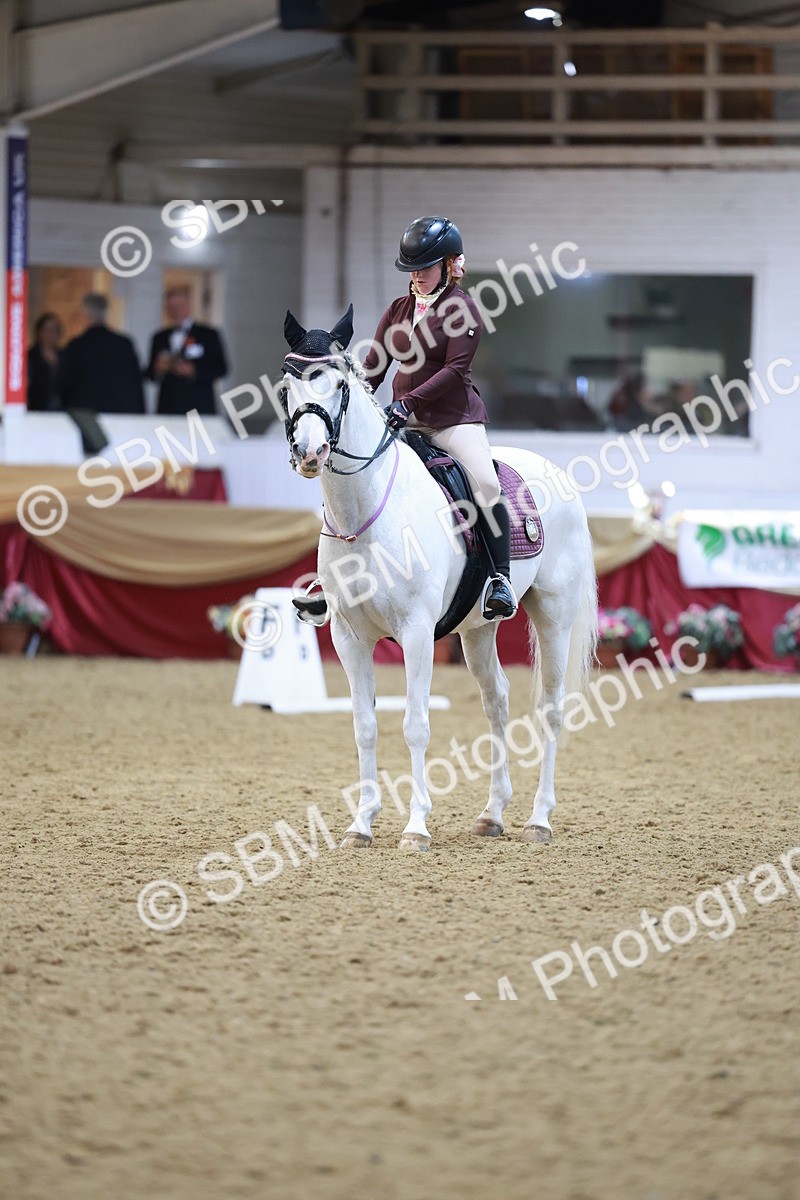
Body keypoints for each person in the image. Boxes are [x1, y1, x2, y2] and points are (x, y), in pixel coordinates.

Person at [296, 215, 517, 625]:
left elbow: (454, 370)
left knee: (485, 483)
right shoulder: (398, 309)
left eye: (426, 267)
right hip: (403, 419)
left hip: (452, 420)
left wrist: (408, 403)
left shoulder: (462, 309)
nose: (418, 276)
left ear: (449, 266)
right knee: (354, 478)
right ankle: (332, 583)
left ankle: (499, 579)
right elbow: (373, 368)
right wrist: (352, 402)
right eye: (412, 269)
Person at [145, 286, 228, 415]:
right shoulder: (159, 337)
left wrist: (193, 370)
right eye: (170, 307)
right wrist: (157, 368)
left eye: (179, 305)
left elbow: (221, 368)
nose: (175, 311)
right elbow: (150, 374)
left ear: (189, 305)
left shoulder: (208, 334)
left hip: (198, 405)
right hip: (168, 406)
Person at [58, 294, 145, 414]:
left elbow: (65, 384)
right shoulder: (124, 344)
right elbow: (136, 384)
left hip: (86, 417)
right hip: (120, 415)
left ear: (85, 315)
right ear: (106, 313)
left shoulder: (76, 346)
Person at [27, 312, 63, 411]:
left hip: (62, 411)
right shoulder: (30, 356)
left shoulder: (65, 356)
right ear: (39, 332)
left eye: (55, 329)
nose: (52, 333)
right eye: (48, 329)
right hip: (37, 410)